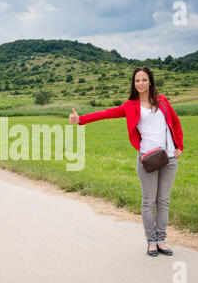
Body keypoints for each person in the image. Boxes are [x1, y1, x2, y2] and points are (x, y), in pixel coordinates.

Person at [69, 67, 184, 257]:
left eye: (144, 80)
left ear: (150, 82)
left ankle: (162, 240)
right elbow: (105, 113)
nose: (140, 83)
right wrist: (81, 119)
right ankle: (151, 242)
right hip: (147, 159)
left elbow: (175, 122)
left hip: (169, 158)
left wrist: (179, 145)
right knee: (149, 201)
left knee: (163, 200)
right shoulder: (130, 106)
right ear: (133, 83)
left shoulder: (162, 101)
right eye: (137, 80)